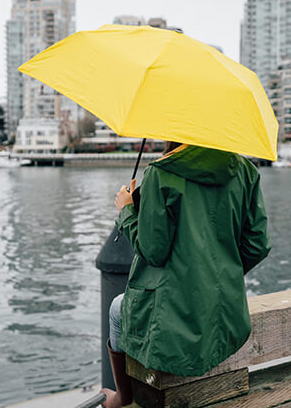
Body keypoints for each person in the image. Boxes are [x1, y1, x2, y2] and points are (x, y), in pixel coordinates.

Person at [100, 142, 271, 408]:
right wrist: (216, 277)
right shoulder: (246, 172)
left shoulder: (162, 173)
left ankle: (123, 398)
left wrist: (126, 210)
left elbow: (153, 251)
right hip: (224, 312)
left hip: (172, 317)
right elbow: (257, 245)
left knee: (115, 309)